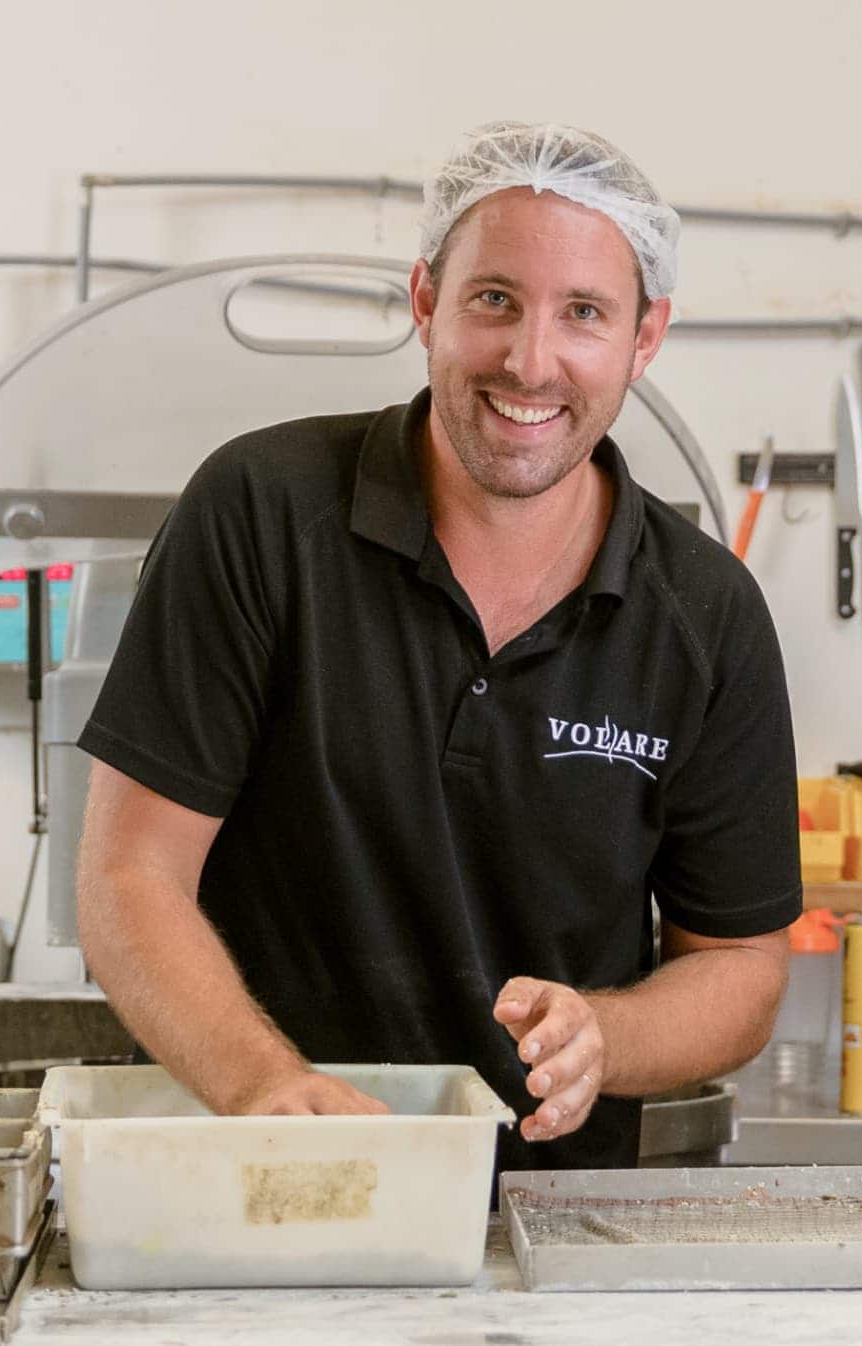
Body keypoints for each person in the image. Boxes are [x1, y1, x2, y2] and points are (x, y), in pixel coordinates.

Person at [74, 121, 800, 1173]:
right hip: (253, 1183)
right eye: (494, 299)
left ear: (645, 338)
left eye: (584, 313)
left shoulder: (706, 613)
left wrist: (607, 1034)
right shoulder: (261, 516)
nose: (530, 361)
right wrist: (261, 1084)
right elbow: (129, 876)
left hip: (547, 1219)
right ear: (425, 301)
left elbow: (740, 967)